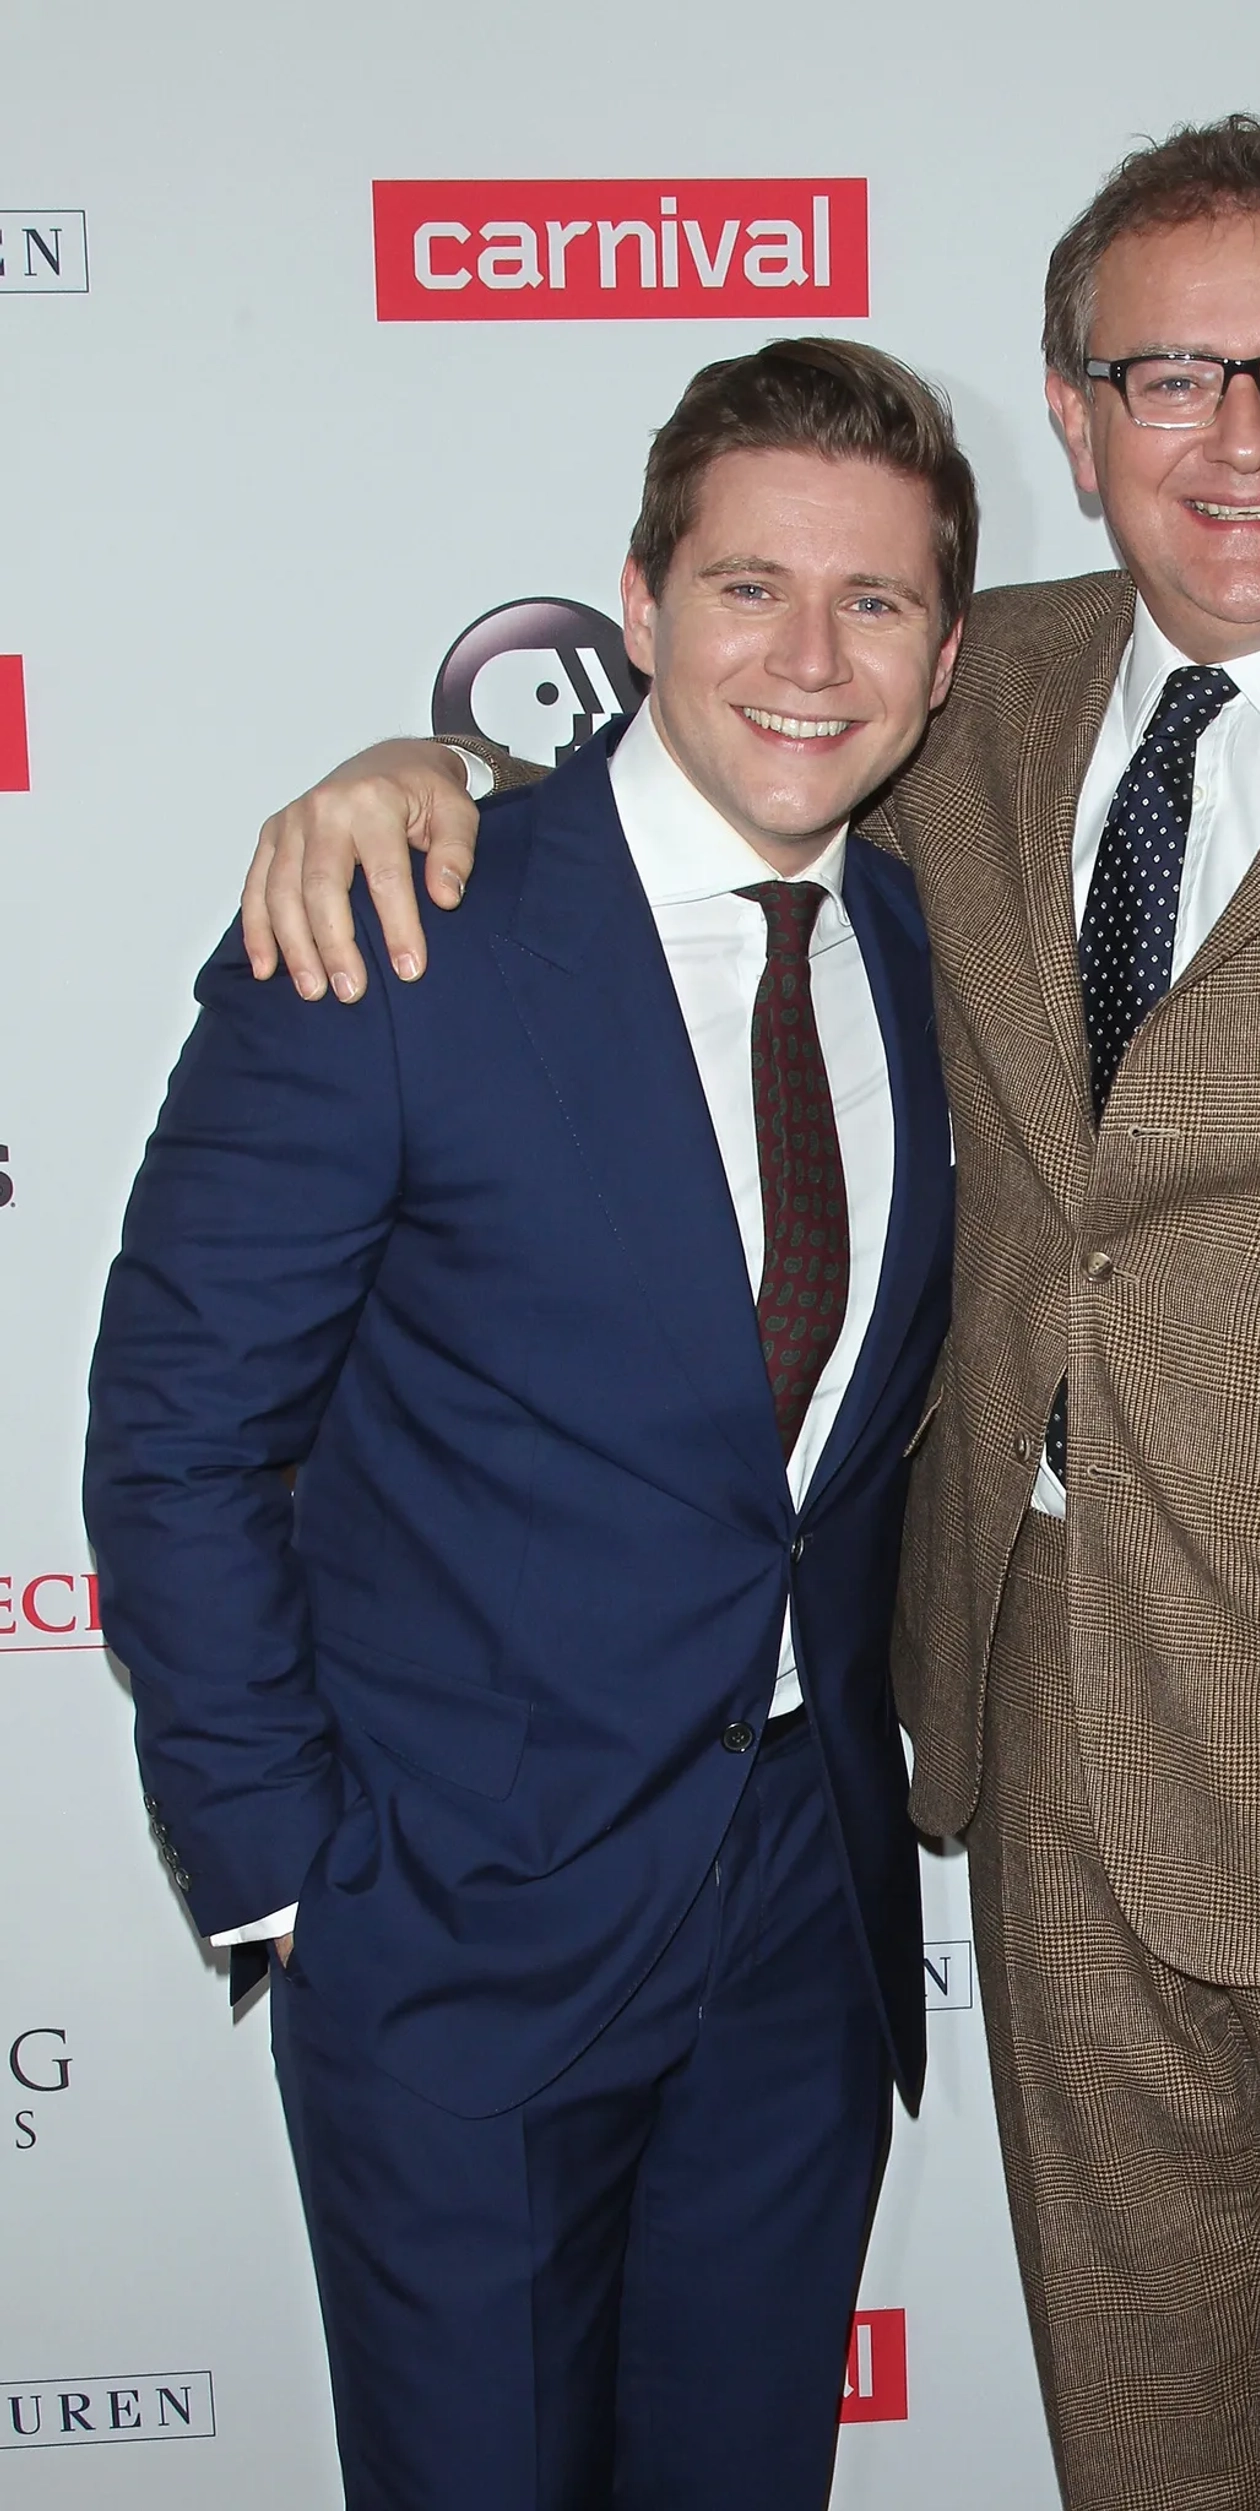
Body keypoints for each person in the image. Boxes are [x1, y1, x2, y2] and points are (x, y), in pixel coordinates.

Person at [231, 115, 1260, 2511]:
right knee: (1160, 2468)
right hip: (1047, 1814)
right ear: (1073, 418)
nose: (1238, 440)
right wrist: (415, 771)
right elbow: (720, 739)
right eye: (1168, 377)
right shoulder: (978, 699)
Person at [84, 338, 969, 2511]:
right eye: (750, 588)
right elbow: (177, 1432)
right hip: (450, 1924)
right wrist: (289, 1878)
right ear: (640, 603)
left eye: (875, 604)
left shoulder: (928, 936)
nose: (808, 654)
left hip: (797, 1930)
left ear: (948, 657)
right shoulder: (399, 925)